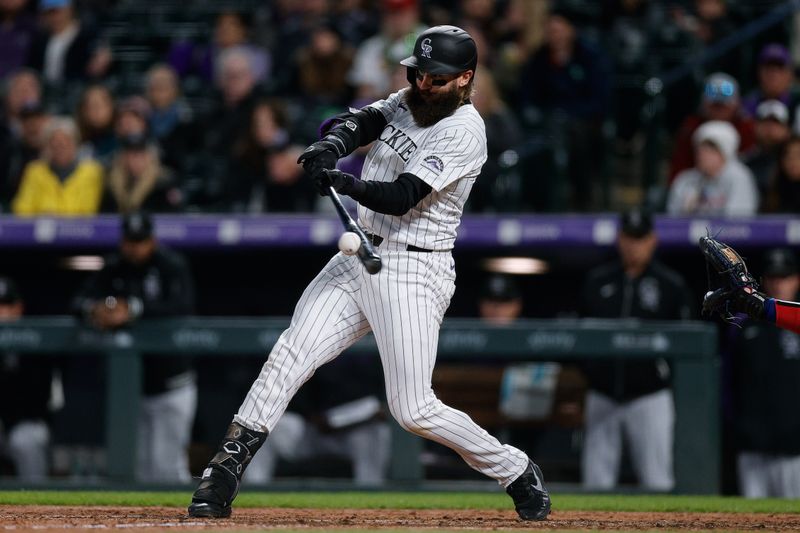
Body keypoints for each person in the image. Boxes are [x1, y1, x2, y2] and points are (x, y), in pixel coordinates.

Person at [188, 25, 551, 522]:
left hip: (412, 266)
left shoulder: (464, 130)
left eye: (437, 78)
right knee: (290, 354)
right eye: (418, 73)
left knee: (413, 409)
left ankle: (515, 469)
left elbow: (403, 195)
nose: (423, 84)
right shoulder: (412, 97)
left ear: (466, 78)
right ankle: (221, 474)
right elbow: (361, 120)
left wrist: (346, 182)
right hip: (360, 253)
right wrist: (330, 147)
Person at [72, 211, 197, 483]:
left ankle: (184, 525)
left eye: (140, 240)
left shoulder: (171, 264)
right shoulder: (114, 265)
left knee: (167, 469)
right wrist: (95, 311)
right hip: (131, 389)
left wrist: (133, 310)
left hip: (171, 385)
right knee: (135, 468)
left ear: (151, 240)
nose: (134, 247)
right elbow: (79, 301)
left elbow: (183, 306)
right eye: (130, 240)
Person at [579, 208, 694, 490]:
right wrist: (593, 374)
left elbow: (685, 343)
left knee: (657, 480)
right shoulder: (598, 281)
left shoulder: (670, 285)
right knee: (595, 483)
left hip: (649, 396)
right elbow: (580, 337)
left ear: (652, 240)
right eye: (629, 237)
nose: (634, 245)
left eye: (640, 238)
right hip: (602, 394)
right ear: (619, 239)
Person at [245, 350, 390, 487]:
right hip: (314, 431)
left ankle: (369, 494)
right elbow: (297, 393)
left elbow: (379, 403)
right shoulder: (317, 344)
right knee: (270, 426)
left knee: (376, 433)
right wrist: (311, 415)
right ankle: (255, 489)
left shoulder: (368, 356)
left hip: (354, 435)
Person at [727, 248, 800, 498]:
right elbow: (727, 381)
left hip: (795, 448)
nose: (779, 284)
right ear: (765, 281)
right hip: (752, 443)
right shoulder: (743, 325)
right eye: (774, 277)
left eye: (785, 277)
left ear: (796, 280)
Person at [0, 276, 59, 481]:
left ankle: (35, 504)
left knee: (26, 440)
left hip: (28, 421)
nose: (1, 312)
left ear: (18, 308)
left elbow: (41, 399)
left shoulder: (35, 343)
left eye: (5, 305)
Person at [668, 73, 756, 182]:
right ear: (703, 104)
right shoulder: (692, 127)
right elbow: (679, 168)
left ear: (736, 105)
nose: (719, 111)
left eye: (723, 106)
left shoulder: (746, 128)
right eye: (715, 105)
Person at [12, 116, 104, 216]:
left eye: (65, 143)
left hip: (80, 230)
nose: (60, 148)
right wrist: (42, 217)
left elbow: (90, 209)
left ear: (75, 144)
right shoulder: (34, 171)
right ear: (47, 146)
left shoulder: (92, 172)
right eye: (55, 144)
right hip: (43, 229)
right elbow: (22, 209)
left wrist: (58, 219)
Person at [666, 120, 759, 216]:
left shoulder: (740, 177)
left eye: (711, 149)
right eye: (701, 148)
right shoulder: (686, 180)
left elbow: (739, 221)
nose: (703, 154)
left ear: (726, 152)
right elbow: (672, 220)